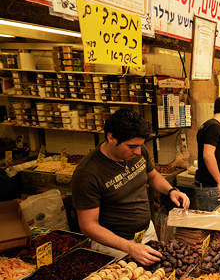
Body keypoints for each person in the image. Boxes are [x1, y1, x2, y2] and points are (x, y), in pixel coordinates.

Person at [72, 109, 190, 265]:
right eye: (132, 146)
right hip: (116, 247)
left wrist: (171, 190)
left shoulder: (138, 150)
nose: (138, 151)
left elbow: (152, 176)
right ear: (111, 138)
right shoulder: (88, 173)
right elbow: (88, 226)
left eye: (141, 145)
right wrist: (130, 247)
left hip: (147, 234)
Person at [195, 97, 220, 211]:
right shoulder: (215, 128)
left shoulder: (206, 125)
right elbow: (208, 155)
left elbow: (213, 155)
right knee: (210, 226)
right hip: (209, 188)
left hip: (207, 186)